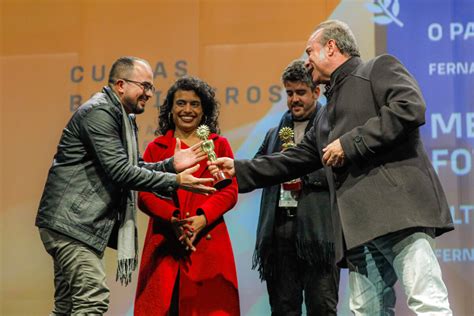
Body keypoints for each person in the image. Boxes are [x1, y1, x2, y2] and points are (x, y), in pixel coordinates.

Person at [209, 20, 454, 315]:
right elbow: (295, 158)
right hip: (357, 228)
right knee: (365, 309)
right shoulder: (327, 113)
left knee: (426, 299)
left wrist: (349, 144)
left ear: (331, 47)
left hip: (399, 213)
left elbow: (409, 107)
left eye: (309, 51)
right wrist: (239, 169)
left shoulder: (376, 69)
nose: (306, 60)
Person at [35, 57, 215, 315]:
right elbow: (121, 172)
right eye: (145, 86)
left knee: (66, 307)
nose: (149, 94)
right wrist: (175, 181)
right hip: (72, 224)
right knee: (92, 300)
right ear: (121, 84)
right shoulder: (100, 113)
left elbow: (135, 167)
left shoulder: (122, 117)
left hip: (73, 223)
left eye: (151, 88)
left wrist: (170, 165)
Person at [134, 76, 240, 315]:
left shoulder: (218, 145)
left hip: (208, 243)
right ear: (170, 109)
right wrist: (173, 219)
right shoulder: (156, 148)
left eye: (195, 104)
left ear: (204, 111)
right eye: (181, 103)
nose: (187, 110)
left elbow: (230, 191)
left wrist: (202, 218)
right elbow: (143, 195)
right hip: (165, 244)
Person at [253, 60, 339, 315]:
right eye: (289, 93)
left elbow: (341, 172)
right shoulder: (273, 135)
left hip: (318, 236)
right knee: (282, 309)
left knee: (322, 308)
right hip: (279, 238)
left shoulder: (333, 129)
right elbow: (258, 170)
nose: (294, 99)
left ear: (316, 92)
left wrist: (305, 179)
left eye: (301, 92)